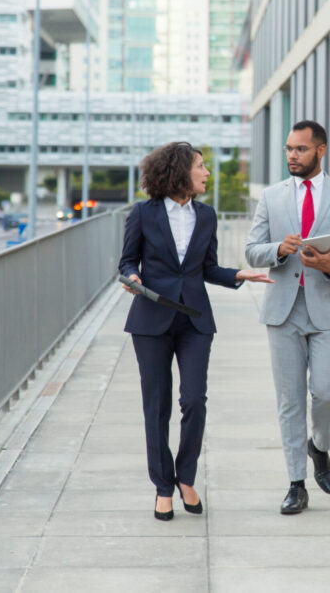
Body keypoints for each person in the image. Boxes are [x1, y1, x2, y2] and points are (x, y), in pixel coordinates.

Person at [120, 141, 271, 521]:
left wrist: (240, 274)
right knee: (157, 406)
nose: (206, 173)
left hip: (194, 321)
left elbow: (207, 268)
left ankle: (186, 476)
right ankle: (162, 487)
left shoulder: (206, 215)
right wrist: (132, 277)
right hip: (151, 319)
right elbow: (126, 262)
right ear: (179, 172)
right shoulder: (143, 213)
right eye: (200, 167)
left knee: (194, 400)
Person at [245, 120, 330, 514]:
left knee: (328, 392)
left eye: (300, 149)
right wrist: (278, 249)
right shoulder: (271, 197)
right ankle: (296, 482)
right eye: (288, 149)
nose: (292, 156)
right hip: (282, 310)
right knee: (290, 400)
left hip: (327, 308)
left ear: (321, 150)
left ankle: (320, 445)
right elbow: (252, 250)